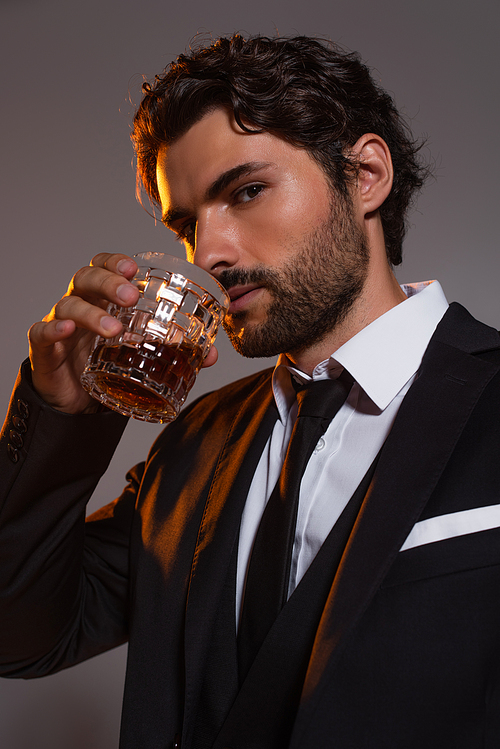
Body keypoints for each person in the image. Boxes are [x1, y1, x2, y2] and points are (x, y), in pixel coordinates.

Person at [1, 33, 499, 749]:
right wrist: (61, 416)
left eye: (246, 191)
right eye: (186, 225)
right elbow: (21, 636)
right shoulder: (196, 444)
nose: (208, 254)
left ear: (365, 175)